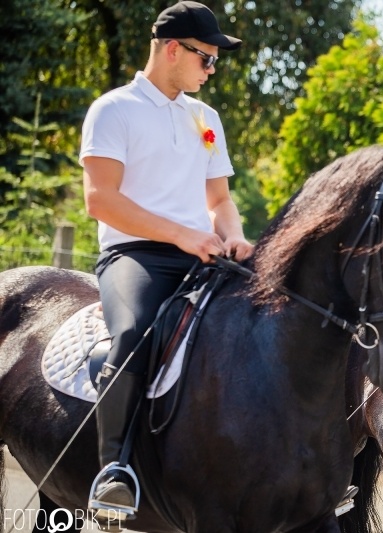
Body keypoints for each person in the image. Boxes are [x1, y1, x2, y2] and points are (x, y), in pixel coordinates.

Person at [79, 1, 253, 521]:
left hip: (204, 253)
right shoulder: (113, 109)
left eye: (215, 61)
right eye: (206, 58)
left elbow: (219, 202)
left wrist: (237, 238)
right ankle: (114, 471)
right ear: (173, 49)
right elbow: (101, 200)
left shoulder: (207, 118)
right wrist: (182, 236)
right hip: (136, 255)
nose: (212, 69)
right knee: (133, 334)